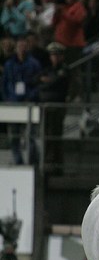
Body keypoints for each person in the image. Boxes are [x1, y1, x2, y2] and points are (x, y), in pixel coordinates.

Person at [2, 36, 41, 164]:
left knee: (30, 136)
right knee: (14, 136)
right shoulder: (9, 64)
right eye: (19, 46)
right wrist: (7, 98)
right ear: (16, 48)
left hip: (29, 103)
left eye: (24, 46)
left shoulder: (34, 64)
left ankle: (32, 162)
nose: (22, 49)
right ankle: (18, 161)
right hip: (13, 104)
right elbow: (4, 83)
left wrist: (31, 96)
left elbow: (38, 83)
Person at [38, 41, 69, 173]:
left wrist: (47, 81)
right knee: (46, 134)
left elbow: (56, 83)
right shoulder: (48, 69)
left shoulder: (64, 69)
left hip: (58, 106)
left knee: (55, 135)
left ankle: (56, 165)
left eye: (57, 55)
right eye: (52, 55)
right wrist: (48, 81)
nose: (54, 58)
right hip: (46, 107)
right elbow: (36, 81)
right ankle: (47, 163)